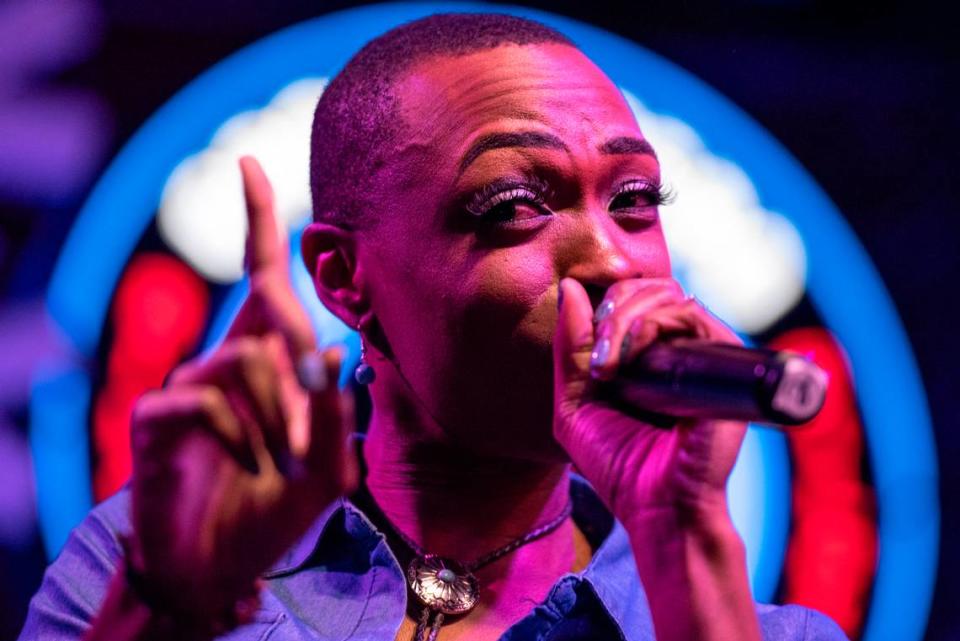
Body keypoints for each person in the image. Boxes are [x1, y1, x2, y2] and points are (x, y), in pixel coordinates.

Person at [19, 13, 848, 641]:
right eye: (515, 207)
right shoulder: (141, 565)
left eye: (636, 202)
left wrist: (682, 530)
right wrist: (172, 608)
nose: (611, 260)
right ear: (345, 282)